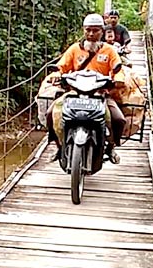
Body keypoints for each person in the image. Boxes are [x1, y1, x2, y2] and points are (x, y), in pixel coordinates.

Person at [46, 13, 126, 164]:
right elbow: (61, 66)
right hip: (74, 92)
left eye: (95, 30)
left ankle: (111, 147)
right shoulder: (75, 49)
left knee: (118, 119)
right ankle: (58, 146)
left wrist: (118, 79)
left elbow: (118, 69)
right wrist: (56, 74)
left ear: (102, 31)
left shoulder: (109, 51)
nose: (91, 34)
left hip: (100, 93)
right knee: (50, 113)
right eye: (88, 30)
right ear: (83, 30)